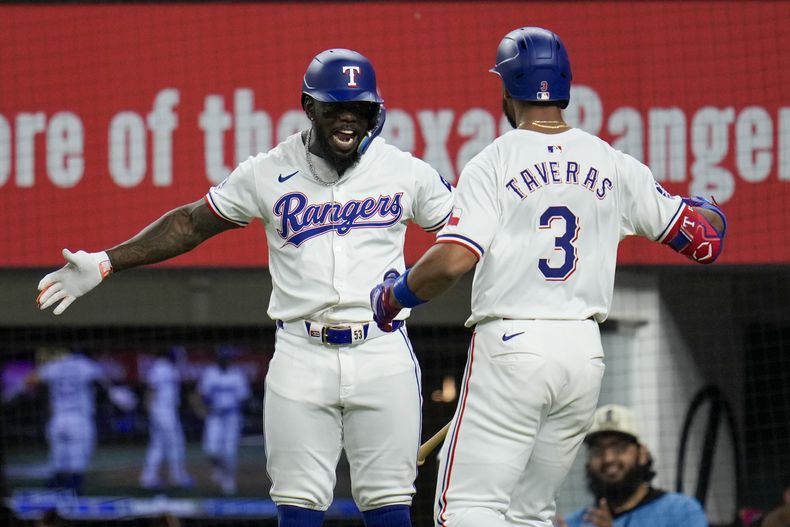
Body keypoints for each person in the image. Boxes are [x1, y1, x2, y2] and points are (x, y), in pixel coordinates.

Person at [36, 48, 454, 527]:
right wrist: (108, 261)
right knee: (297, 510)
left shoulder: (405, 171)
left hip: (382, 349)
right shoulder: (267, 170)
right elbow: (190, 223)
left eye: (360, 108)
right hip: (301, 353)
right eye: (336, 107)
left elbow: (466, 239)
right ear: (309, 106)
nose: (349, 118)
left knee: (390, 509)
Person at [370, 27, 726, 527]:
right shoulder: (614, 162)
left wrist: (395, 296)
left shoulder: (494, 161)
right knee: (530, 513)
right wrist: (706, 210)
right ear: (565, 87)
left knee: (468, 508)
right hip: (583, 355)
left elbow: (451, 261)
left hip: (513, 344)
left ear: (506, 90)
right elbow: (706, 241)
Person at [560, 404, 707, 527]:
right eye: (597, 450)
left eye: (619, 448)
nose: (608, 458)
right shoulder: (575, 522)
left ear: (642, 454)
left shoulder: (681, 511)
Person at [25, 347, 109, 494]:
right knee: (78, 462)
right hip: (79, 419)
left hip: (58, 419)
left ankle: (51, 497)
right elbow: (103, 380)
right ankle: (73, 495)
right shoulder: (85, 364)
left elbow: (30, 380)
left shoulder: (55, 365)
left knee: (58, 461)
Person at [190, 346, 251, 495]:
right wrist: (201, 410)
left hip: (232, 417)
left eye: (227, 358)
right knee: (211, 450)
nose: (225, 360)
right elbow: (200, 394)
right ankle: (218, 468)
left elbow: (244, 397)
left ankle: (228, 479)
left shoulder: (237, 374)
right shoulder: (210, 373)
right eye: (222, 358)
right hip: (214, 416)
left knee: (229, 451)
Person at [139, 347, 194, 489]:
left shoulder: (170, 368)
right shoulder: (160, 367)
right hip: (162, 410)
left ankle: (148, 477)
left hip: (166, 410)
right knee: (176, 442)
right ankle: (177, 476)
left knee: (157, 445)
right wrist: (149, 410)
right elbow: (151, 389)